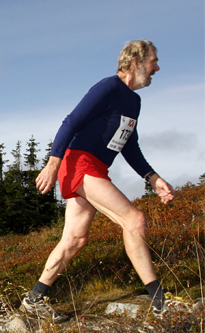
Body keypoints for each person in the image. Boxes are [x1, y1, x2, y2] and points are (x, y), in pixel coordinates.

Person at [21, 40, 176, 322]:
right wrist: (53, 163)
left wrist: (153, 179)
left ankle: (34, 299)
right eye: (153, 61)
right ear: (135, 62)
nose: (157, 67)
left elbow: (129, 145)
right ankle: (160, 302)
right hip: (78, 163)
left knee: (75, 239)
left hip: (95, 168)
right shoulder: (108, 87)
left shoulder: (134, 101)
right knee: (134, 220)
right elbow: (71, 121)